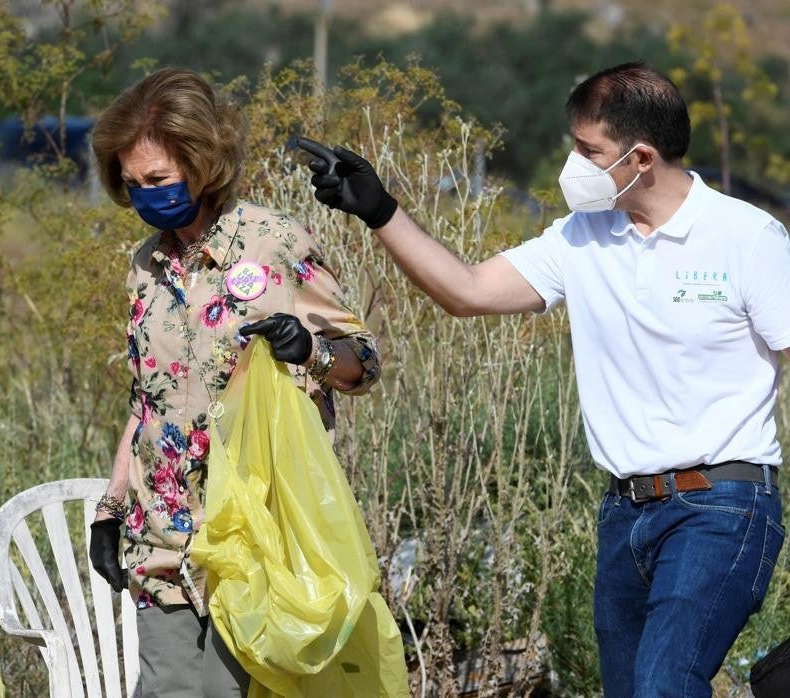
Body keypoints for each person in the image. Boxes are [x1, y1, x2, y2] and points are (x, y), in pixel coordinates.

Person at [300, 62, 786, 697]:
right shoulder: (581, 236)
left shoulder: (747, 238)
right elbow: (467, 291)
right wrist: (380, 211)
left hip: (724, 504)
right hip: (626, 512)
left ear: (640, 157)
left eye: (589, 151)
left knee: (664, 686)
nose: (574, 165)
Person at [86, 67, 383, 697]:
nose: (145, 196)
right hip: (162, 542)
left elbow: (363, 361)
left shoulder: (272, 243)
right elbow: (147, 401)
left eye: (159, 180)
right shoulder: (145, 267)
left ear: (201, 162)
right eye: (133, 184)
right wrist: (112, 510)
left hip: (254, 538)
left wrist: (314, 354)